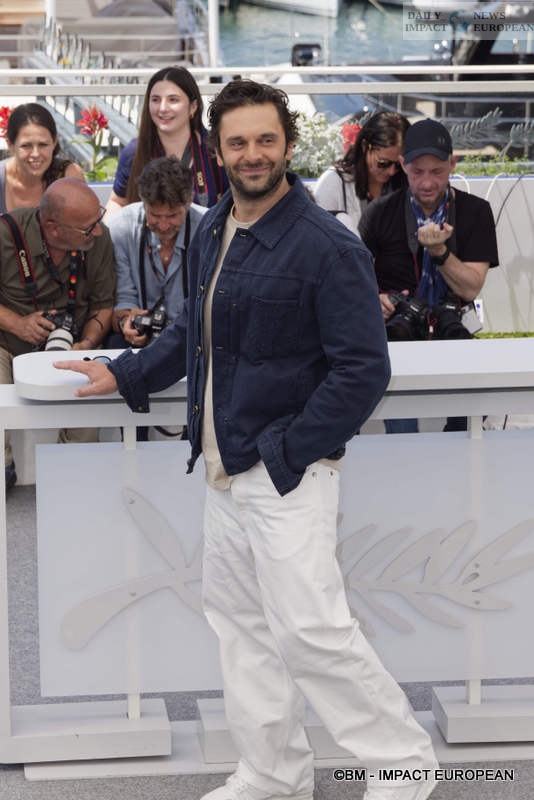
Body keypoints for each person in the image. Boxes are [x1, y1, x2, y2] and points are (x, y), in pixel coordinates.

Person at [56, 79, 438, 800]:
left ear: (288, 145)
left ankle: (404, 767)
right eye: (238, 142)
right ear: (217, 152)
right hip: (225, 468)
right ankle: (273, 774)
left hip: (283, 471)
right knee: (244, 632)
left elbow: (363, 371)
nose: (252, 154)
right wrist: (125, 373)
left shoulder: (327, 245)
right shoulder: (210, 228)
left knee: (312, 633)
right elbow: (194, 337)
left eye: (266, 140)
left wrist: (286, 452)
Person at [359, 118, 499, 434]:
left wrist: (440, 253)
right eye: (417, 171)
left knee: (469, 421)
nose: (426, 182)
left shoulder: (475, 211)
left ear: (452, 164)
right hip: (400, 331)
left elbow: (472, 286)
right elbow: (354, 282)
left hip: (455, 326)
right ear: (402, 164)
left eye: (437, 171)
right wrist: (375, 299)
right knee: (401, 423)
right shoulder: (379, 213)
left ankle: (462, 471)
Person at [0, 178, 115, 489]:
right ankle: (3, 469)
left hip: (74, 346)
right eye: (88, 228)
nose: (99, 231)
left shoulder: (96, 239)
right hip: (8, 345)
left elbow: (104, 305)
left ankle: (69, 479)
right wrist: (16, 323)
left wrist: (87, 343)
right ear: (53, 227)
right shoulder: (6, 234)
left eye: (98, 220)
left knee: (91, 399)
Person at [104, 66, 228, 217]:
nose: (163, 108)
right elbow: (118, 201)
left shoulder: (215, 149)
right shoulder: (135, 152)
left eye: (173, 100)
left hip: (206, 238)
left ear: (193, 107)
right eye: (156, 100)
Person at [314, 110, 409, 235]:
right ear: (365, 146)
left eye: (399, 165)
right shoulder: (333, 182)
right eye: (383, 163)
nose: (391, 171)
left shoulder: (407, 182)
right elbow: (316, 236)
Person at [0, 102, 85, 214]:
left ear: (55, 141)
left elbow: (87, 227)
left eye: (43, 145)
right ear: (10, 144)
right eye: (26, 146)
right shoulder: (2, 179)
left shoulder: (68, 175)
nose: (35, 154)